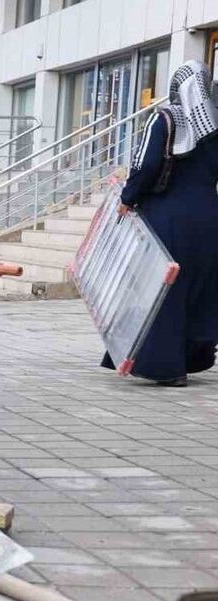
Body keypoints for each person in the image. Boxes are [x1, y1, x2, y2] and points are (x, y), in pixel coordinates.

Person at [110, 60, 218, 386]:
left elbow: (145, 165)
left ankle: (165, 367)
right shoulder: (214, 124)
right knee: (197, 287)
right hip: (208, 219)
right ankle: (190, 357)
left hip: (167, 218)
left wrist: (127, 197)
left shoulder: (164, 118)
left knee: (162, 290)